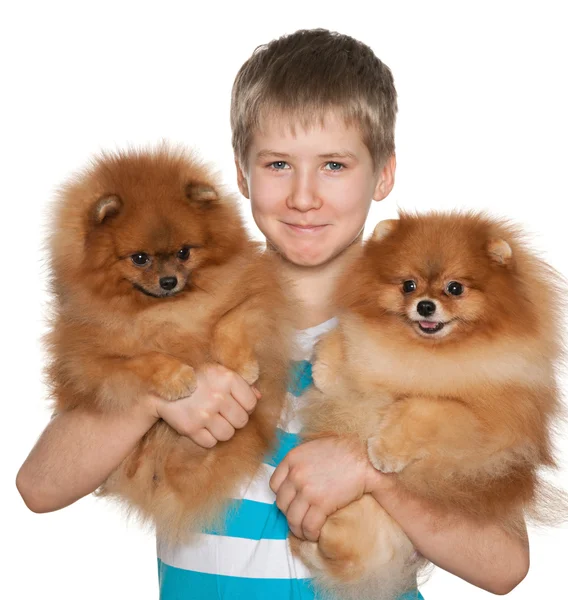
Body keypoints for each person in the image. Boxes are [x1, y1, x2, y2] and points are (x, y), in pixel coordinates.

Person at [16, 28, 529, 599]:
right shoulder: (174, 312)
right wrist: (157, 396)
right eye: (278, 164)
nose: (303, 196)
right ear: (241, 173)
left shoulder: (433, 332)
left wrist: (370, 473)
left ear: (383, 174)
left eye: (334, 165)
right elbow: (39, 487)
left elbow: (504, 565)